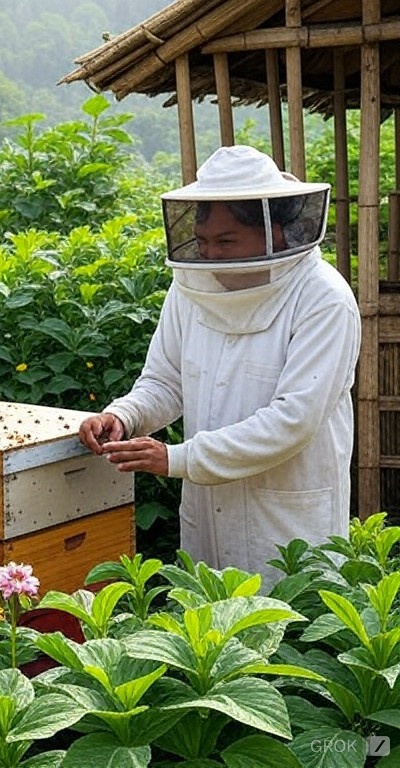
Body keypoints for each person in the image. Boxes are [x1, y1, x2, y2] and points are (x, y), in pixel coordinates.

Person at [78, 144, 360, 589]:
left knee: (292, 641)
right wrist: (123, 415)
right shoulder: (191, 290)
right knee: (209, 640)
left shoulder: (323, 299)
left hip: (286, 519)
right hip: (209, 511)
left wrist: (177, 457)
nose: (209, 256)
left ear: (275, 234)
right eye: (204, 241)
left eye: (226, 242)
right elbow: (165, 381)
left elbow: (294, 420)